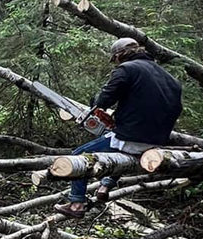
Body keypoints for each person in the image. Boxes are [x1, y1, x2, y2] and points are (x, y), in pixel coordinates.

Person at [54, 37, 183, 218]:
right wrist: (117, 118)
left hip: (132, 136)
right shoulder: (169, 78)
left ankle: (76, 203)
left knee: (78, 157)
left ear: (120, 55)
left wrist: (96, 105)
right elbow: (157, 105)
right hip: (157, 142)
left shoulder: (127, 69)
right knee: (121, 156)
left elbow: (105, 99)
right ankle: (105, 185)